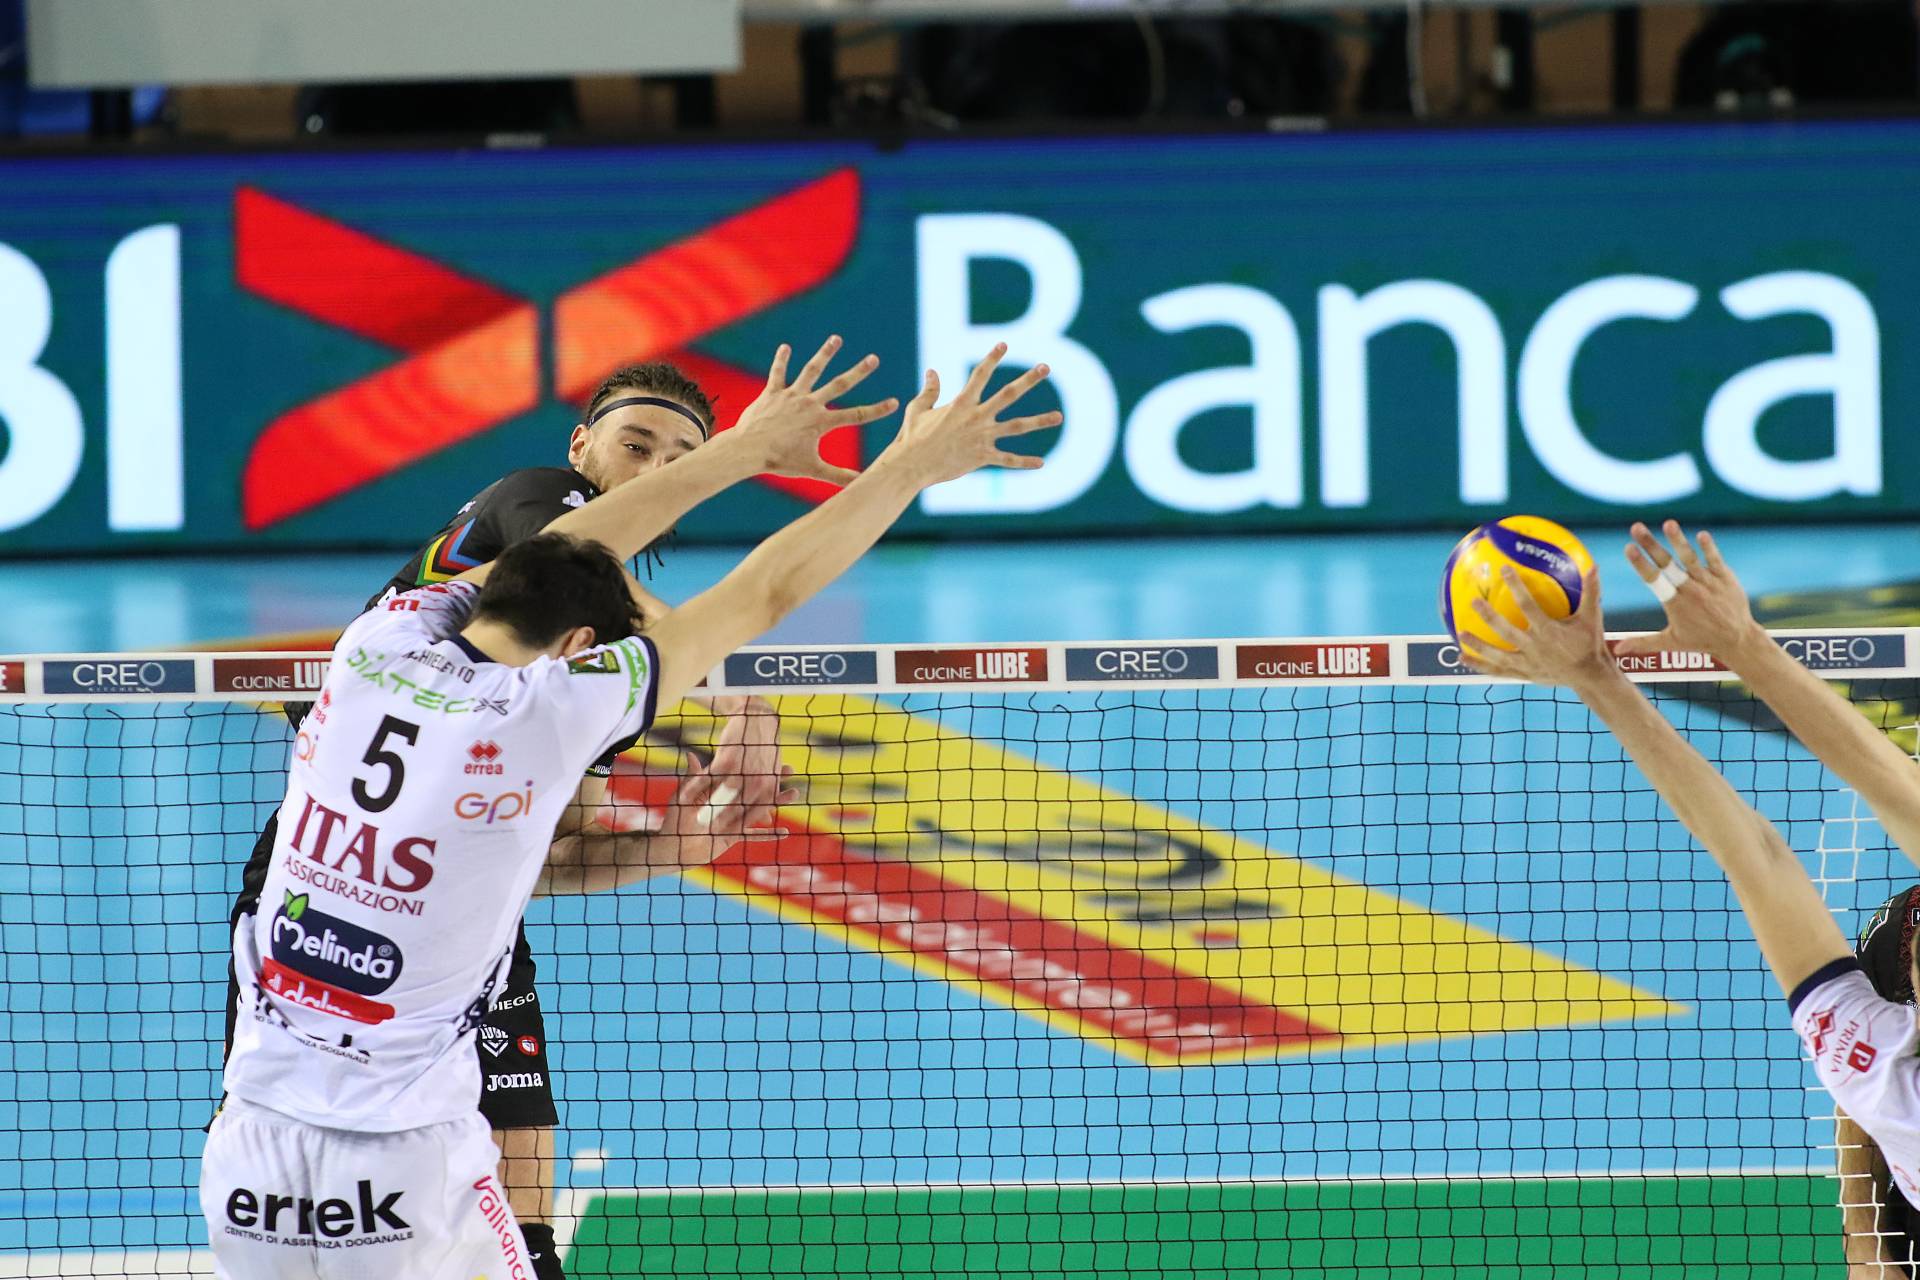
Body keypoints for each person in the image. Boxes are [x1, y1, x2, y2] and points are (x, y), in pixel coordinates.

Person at [201, 344, 1061, 1277]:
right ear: (581, 643)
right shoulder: (552, 713)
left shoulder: (372, 645)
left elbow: (538, 839)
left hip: (252, 1156)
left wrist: (670, 846)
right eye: (637, 446)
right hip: (404, 1165)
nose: (653, 470)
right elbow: (760, 592)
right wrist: (907, 467)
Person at [1459, 521, 1920, 1280]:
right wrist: (1721, 649)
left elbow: (1771, 851)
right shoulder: (1880, 1072)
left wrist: (1619, 676)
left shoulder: (1875, 1068)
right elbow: (1782, 842)